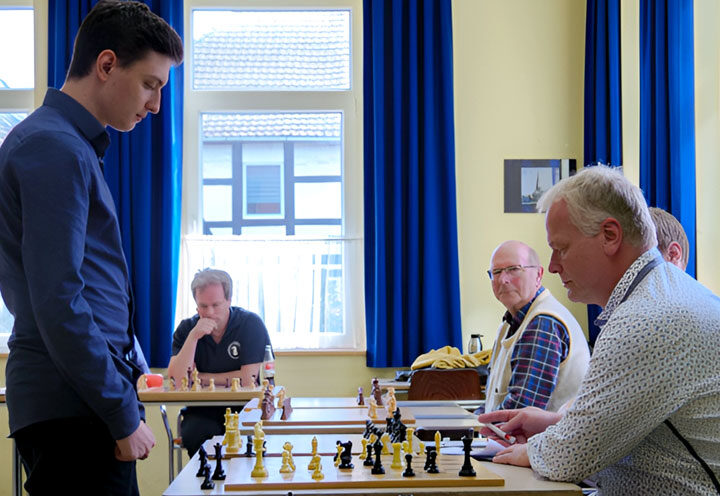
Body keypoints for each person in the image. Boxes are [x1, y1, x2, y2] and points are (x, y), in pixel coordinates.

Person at [0, 1, 183, 494]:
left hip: (78, 399)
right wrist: (120, 413)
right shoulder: (52, 148)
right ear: (106, 65)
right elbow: (60, 299)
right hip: (73, 406)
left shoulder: (67, 145)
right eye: (151, 84)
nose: (155, 105)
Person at [478, 166, 720, 495]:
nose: (552, 266)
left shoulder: (645, 319)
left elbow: (569, 458)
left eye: (560, 248)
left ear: (610, 235)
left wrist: (528, 451)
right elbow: (630, 420)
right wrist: (555, 424)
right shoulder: (662, 294)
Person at [168, 268, 272, 456]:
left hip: (244, 408)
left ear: (229, 301)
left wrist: (201, 378)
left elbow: (248, 379)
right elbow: (177, 380)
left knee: (247, 441)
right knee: (197, 436)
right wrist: (193, 337)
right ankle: (206, 484)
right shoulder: (187, 329)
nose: (210, 312)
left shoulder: (250, 324)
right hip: (201, 410)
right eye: (203, 306)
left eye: (216, 305)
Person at [483, 241, 589, 413]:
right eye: (496, 272)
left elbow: (520, 410)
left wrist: (478, 426)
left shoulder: (543, 323)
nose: (503, 279)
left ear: (538, 274)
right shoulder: (509, 323)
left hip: (544, 439)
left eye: (513, 269)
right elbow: (492, 401)